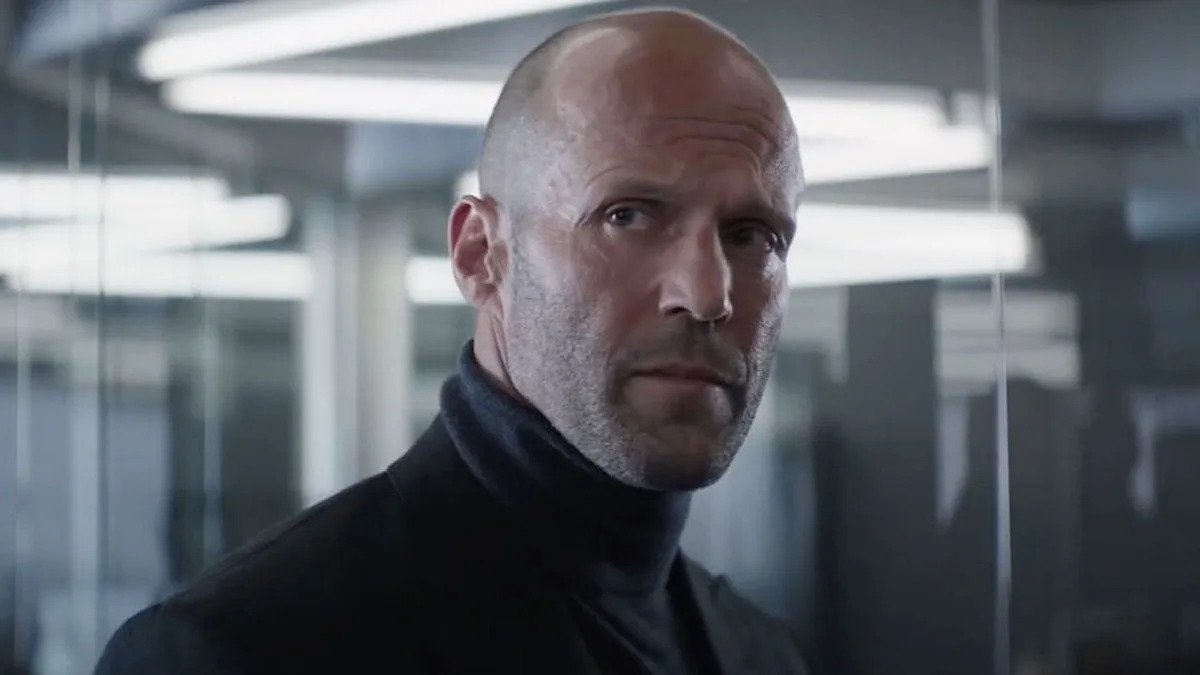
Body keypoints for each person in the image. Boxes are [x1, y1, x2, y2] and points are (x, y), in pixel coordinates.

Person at [95, 7, 807, 674]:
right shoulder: (245, 648)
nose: (708, 294)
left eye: (752, 236)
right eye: (627, 216)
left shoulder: (763, 653)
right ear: (480, 255)